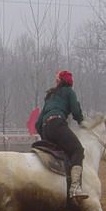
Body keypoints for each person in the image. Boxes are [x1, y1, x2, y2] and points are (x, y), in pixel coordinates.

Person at [34, 69, 88, 199]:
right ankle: (75, 188)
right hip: (57, 124)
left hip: (45, 129)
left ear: (60, 81)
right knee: (77, 150)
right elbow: (75, 111)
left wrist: (45, 136)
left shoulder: (50, 96)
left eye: (56, 78)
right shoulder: (69, 92)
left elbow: (38, 124)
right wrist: (82, 122)